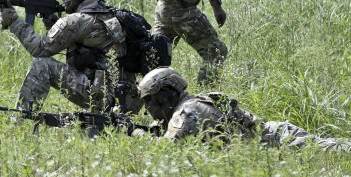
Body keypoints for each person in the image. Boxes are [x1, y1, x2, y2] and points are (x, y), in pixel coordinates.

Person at [0, 0, 141, 113]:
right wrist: (54, 23)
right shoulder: (107, 14)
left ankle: (23, 118)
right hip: (125, 99)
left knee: (41, 65)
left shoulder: (76, 20)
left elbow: (39, 48)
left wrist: (14, 21)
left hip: (103, 97)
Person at [136, 66, 350, 152]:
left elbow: (164, 150)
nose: (147, 109)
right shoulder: (190, 104)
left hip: (282, 143)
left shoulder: (187, 113)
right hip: (277, 137)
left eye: (149, 101)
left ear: (165, 95)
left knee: (338, 151)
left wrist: (135, 133)